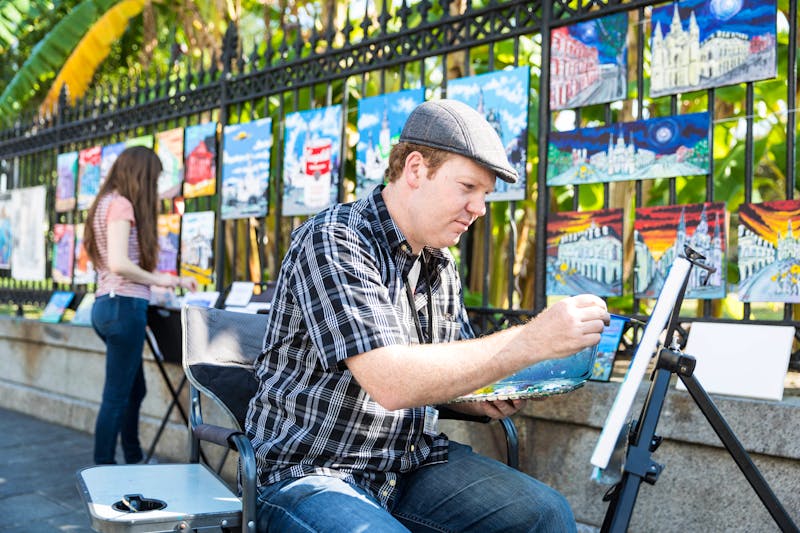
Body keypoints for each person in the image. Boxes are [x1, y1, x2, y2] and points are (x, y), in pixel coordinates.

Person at [246, 99, 609, 532]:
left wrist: (482, 395)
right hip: (313, 471)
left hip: (409, 464)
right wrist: (531, 339)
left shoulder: (440, 263)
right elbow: (391, 381)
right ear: (416, 169)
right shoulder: (334, 239)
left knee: (546, 515)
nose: (480, 208)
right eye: (468, 187)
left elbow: (444, 371)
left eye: (485, 195)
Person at [84, 145, 198, 465]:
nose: (155, 185)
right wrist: (164, 280)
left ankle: (133, 458)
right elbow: (119, 263)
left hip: (108, 305)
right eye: (154, 177)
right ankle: (104, 468)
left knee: (134, 391)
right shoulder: (121, 205)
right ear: (141, 175)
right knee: (117, 396)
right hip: (124, 306)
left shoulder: (104, 202)